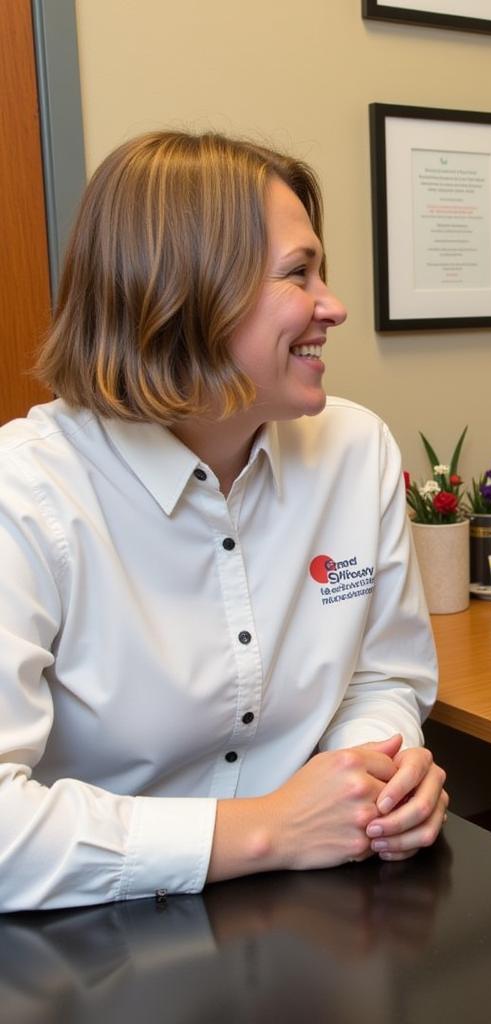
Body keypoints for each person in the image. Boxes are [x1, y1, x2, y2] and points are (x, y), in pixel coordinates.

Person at [0, 131, 448, 913]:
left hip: (315, 902)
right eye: (298, 274)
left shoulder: (354, 449)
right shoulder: (29, 493)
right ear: (186, 295)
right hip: (89, 934)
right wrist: (263, 829)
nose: (332, 306)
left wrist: (376, 774)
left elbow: (382, 676)